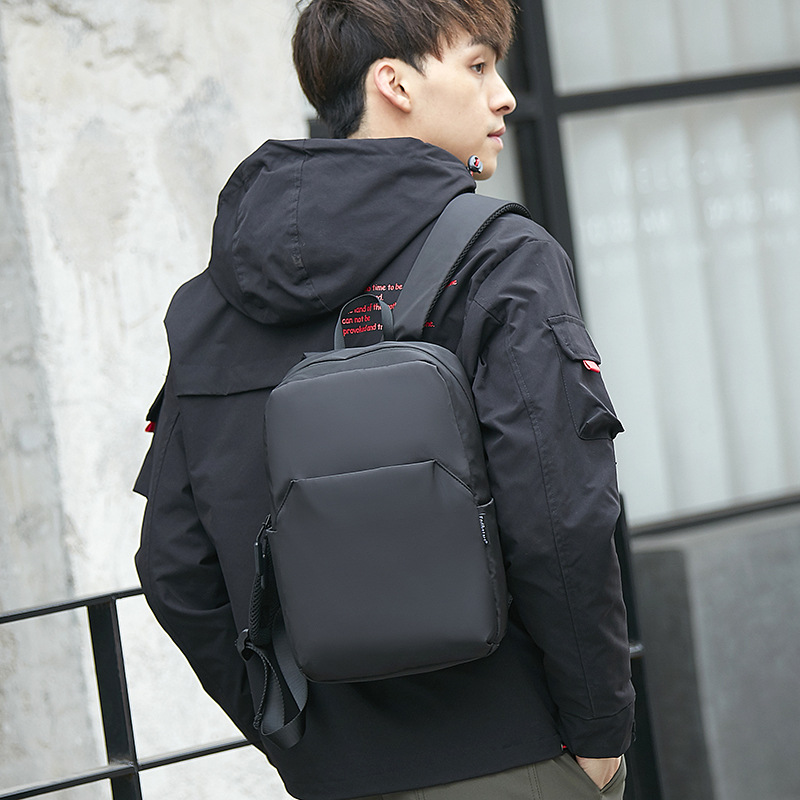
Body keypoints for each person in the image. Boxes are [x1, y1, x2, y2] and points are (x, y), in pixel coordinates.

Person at [134, 0, 635, 797]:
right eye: (478, 66)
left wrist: (296, 739)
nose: (504, 96)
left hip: (335, 774)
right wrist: (600, 732)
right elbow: (561, 517)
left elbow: (174, 565)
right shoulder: (500, 257)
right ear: (394, 83)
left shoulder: (206, 306)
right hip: (515, 756)